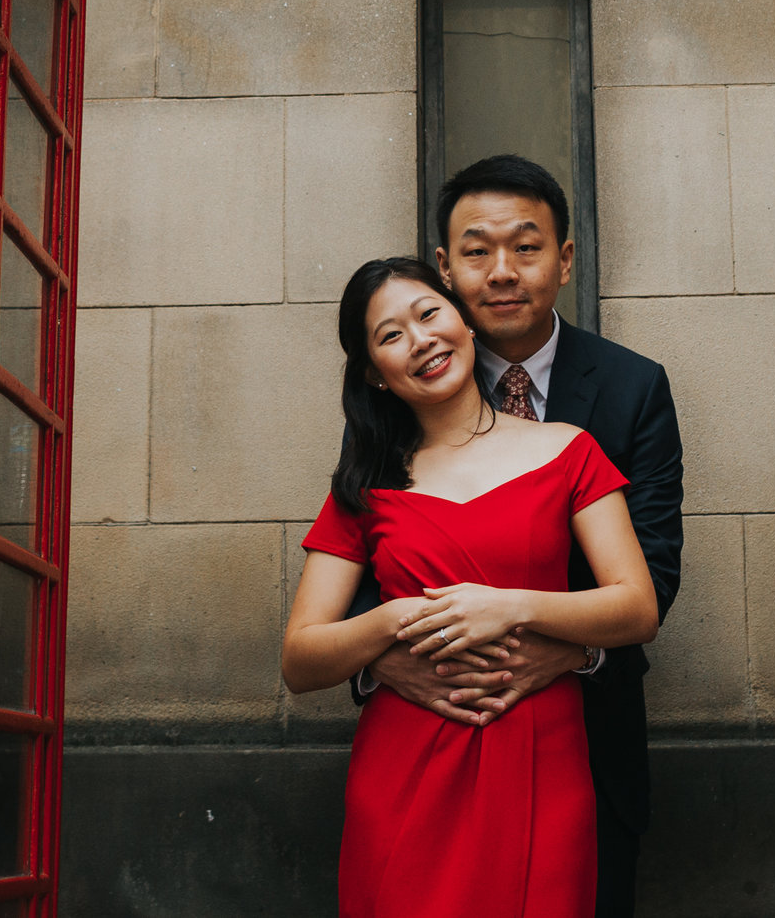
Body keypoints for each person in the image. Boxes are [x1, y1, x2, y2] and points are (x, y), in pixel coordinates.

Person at [358, 156, 685, 918]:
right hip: (431, 735)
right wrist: (383, 667)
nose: (502, 271)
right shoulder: (398, 390)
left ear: (565, 259)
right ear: (444, 266)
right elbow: (368, 561)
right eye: (476, 251)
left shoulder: (633, 388)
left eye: (527, 247)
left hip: (585, 748)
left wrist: (569, 648)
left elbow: (654, 571)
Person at [283, 257, 659, 918]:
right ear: (375, 372)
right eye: (390, 334)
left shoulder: (568, 449)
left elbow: (637, 606)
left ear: (461, 318)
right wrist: (393, 620)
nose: (420, 339)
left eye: (429, 313)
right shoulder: (364, 487)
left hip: (540, 753)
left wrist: (509, 606)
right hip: (405, 763)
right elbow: (301, 659)